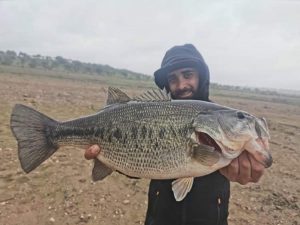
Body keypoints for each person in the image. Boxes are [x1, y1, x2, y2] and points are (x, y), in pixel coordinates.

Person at [84, 44, 265, 225]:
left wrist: (251, 162)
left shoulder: (219, 119)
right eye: (173, 79)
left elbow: (258, 154)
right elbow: (140, 161)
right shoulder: (152, 113)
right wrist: (111, 159)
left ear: (201, 76)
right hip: (160, 215)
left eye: (188, 75)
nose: (181, 85)